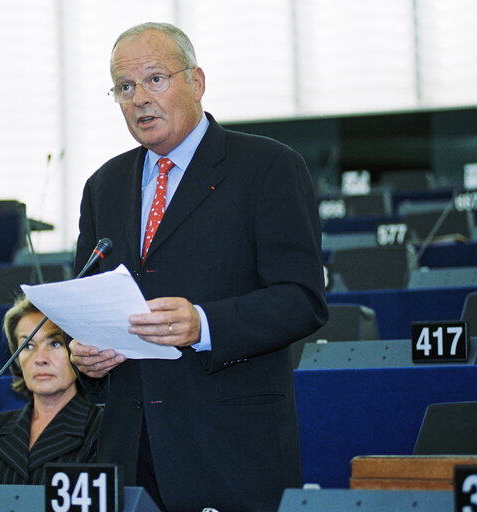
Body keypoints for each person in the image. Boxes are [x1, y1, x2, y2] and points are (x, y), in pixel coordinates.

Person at [69, 22, 327, 512]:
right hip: (129, 449)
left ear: (197, 81)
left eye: (155, 79)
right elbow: (89, 299)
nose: (140, 98)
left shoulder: (268, 168)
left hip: (229, 445)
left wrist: (203, 324)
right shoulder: (103, 186)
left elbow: (302, 299)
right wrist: (84, 354)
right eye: (125, 87)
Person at [0, 296, 102, 485]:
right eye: (27, 346)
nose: (40, 358)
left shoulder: (103, 427)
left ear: (78, 351)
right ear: (16, 359)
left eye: (55, 343)